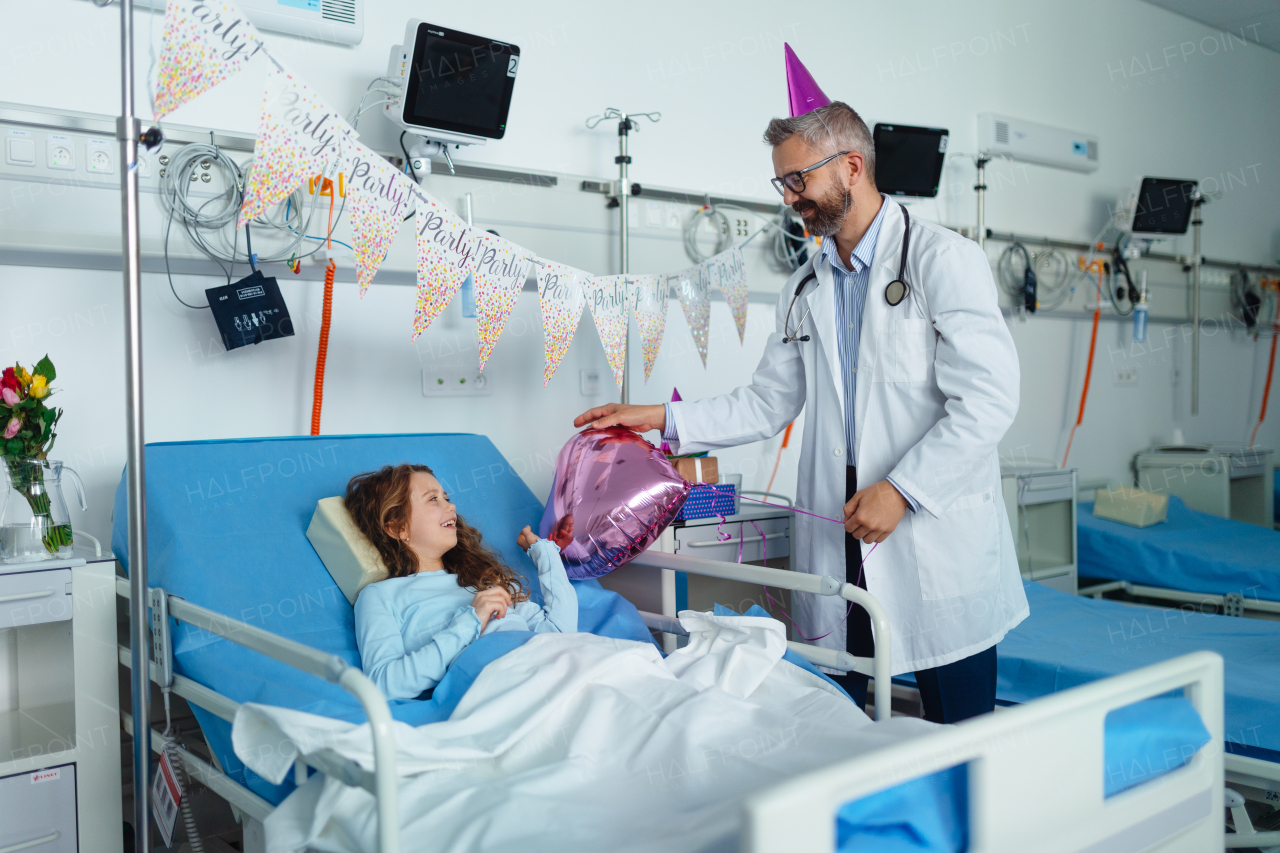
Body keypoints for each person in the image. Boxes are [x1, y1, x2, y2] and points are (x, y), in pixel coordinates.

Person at [574, 84, 1027, 724]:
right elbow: (766, 402)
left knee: (963, 731)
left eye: (797, 180)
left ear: (851, 166)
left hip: (928, 528)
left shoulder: (941, 261)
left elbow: (988, 399)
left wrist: (901, 490)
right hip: (840, 531)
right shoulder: (805, 286)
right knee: (846, 726)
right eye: (781, 183)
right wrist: (659, 418)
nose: (789, 199)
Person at [346, 463, 577, 701]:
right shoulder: (380, 595)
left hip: (555, 668)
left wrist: (546, 554)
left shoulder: (484, 581)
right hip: (507, 688)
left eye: (446, 497)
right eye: (433, 499)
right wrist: (471, 620)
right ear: (397, 527)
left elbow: (561, 634)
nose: (451, 506)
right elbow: (384, 685)